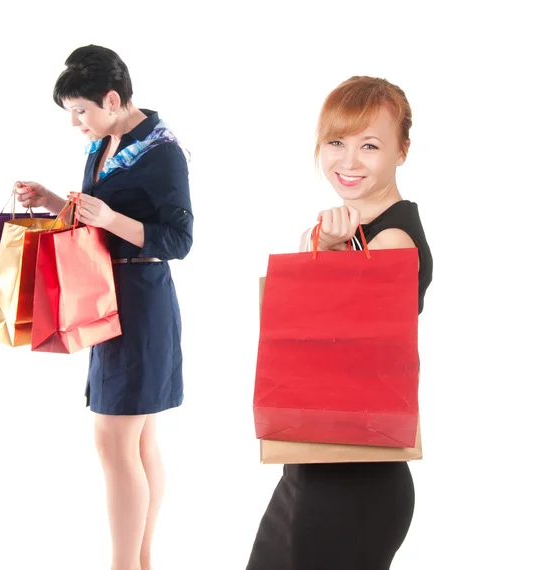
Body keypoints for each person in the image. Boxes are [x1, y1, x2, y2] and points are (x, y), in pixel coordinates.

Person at [16, 45, 193, 570]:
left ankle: (124, 566)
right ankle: (138, 563)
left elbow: (180, 241)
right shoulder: (105, 138)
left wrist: (111, 219)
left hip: (140, 305)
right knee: (136, 443)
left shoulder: (162, 150)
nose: (75, 124)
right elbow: (95, 215)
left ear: (111, 99)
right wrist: (53, 201)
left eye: (80, 111)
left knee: (115, 440)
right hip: (106, 297)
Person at [247, 76, 433, 570]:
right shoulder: (354, 231)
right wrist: (329, 247)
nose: (348, 162)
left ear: (402, 151)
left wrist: (328, 253)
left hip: (356, 482)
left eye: (369, 145)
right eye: (336, 142)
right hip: (314, 469)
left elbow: (338, 348)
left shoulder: (393, 240)